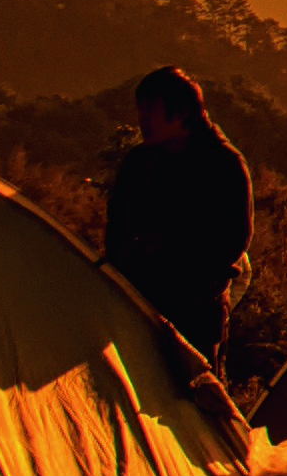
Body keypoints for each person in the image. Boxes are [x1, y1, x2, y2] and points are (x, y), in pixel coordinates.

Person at [103, 65, 253, 365]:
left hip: (195, 314)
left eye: (151, 111)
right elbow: (117, 224)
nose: (142, 120)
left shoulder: (222, 165)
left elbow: (235, 239)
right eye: (141, 110)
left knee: (194, 398)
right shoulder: (140, 161)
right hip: (135, 305)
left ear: (181, 113)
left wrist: (179, 262)